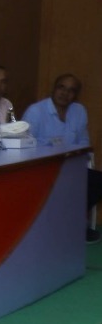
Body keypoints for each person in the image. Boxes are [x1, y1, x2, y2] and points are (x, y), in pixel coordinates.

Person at [21, 74, 101, 243]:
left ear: (76, 95)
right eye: (61, 87)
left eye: (71, 90)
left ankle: (74, 224)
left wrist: (75, 159)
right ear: (54, 88)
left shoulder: (79, 111)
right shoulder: (36, 111)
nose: (65, 93)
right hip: (42, 169)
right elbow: (25, 145)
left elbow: (84, 142)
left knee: (97, 181)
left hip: (71, 166)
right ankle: (63, 227)